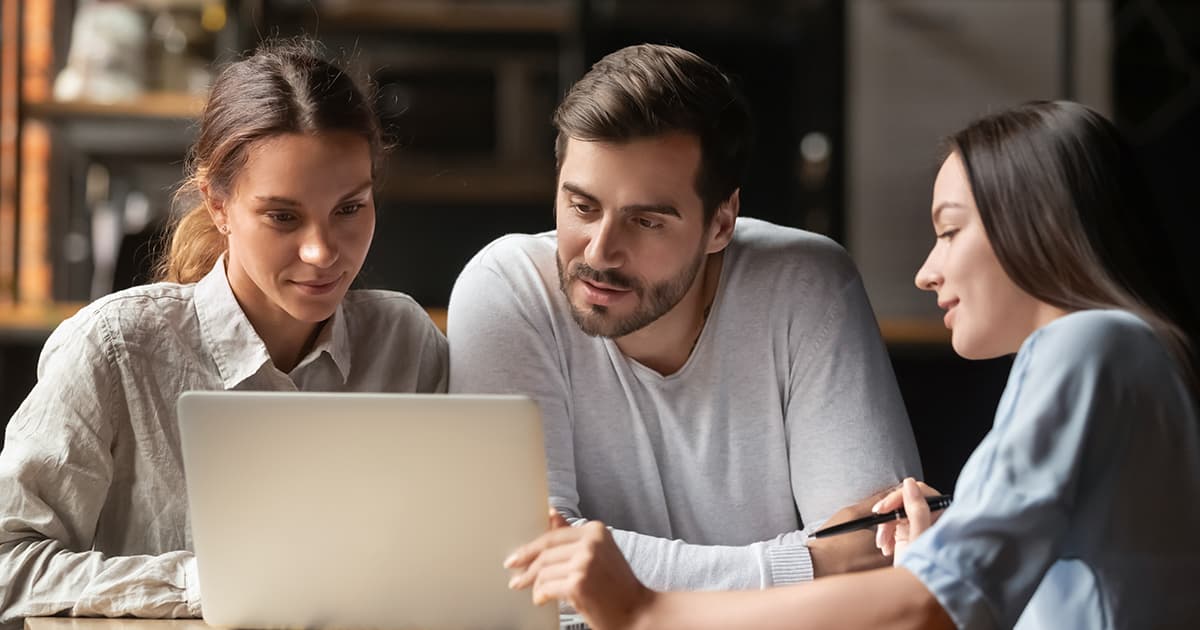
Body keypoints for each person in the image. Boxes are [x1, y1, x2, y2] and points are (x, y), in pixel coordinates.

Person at [503, 100, 1200, 630]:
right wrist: (933, 554)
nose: (928, 273)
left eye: (950, 230)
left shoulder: (1088, 346)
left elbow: (926, 609)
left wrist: (649, 611)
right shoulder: (1129, 358)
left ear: (1037, 224)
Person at [0, 39, 447, 628]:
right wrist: (206, 581)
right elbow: (9, 567)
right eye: (282, 217)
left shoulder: (405, 342)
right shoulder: (114, 349)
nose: (321, 252)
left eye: (349, 209)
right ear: (217, 202)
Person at [448, 43, 921, 591]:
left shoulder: (807, 284)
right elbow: (523, 569)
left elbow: (879, 558)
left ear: (721, 223)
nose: (599, 253)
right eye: (582, 207)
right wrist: (808, 563)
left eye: (646, 222)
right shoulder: (508, 289)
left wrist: (603, 572)